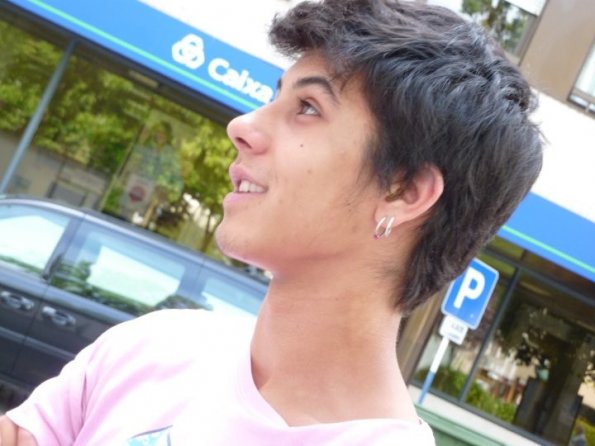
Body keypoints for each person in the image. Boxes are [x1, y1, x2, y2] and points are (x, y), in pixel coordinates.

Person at [0, 0, 542, 444]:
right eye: (275, 95)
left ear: (404, 191)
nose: (241, 126)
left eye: (308, 107)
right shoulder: (157, 346)